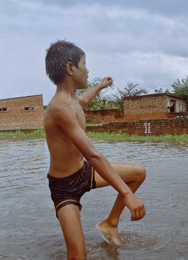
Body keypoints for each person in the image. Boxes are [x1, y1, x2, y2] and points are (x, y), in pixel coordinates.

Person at [44, 40, 146, 258]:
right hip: (64, 188)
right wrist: (126, 194)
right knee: (78, 255)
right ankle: (109, 222)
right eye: (84, 64)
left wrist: (99, 86)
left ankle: (110, 223)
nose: (88, 70)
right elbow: (92, 153)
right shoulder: (59, 108)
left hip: (84, 172)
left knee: (138, 173)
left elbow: (83, 100)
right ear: (70, 68)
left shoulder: (72, 100)